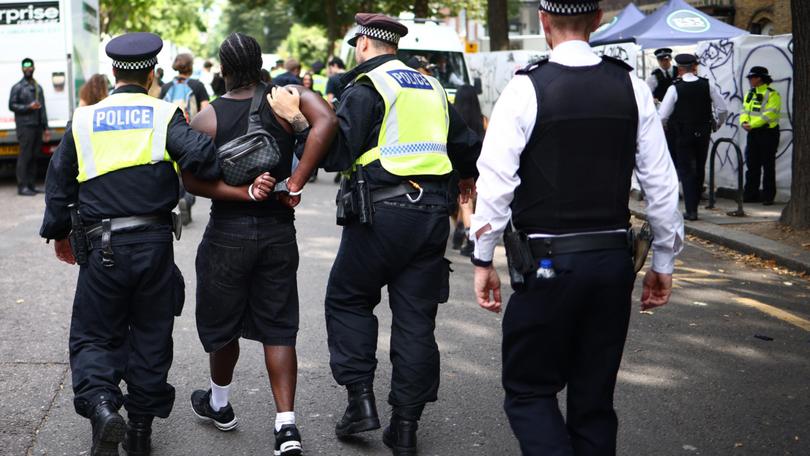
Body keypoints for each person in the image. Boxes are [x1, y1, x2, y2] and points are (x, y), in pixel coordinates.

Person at [39, 32, 268, 456]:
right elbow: (203, 157)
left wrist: (57, 232)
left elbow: (59, 181)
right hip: (153, 245)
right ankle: (140, 431)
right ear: (150, 73)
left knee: (94, 336)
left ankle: (105, 407)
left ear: (113, 73)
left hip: (101, 243)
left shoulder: (85, 118)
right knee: (150, 334)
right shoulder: (165, 114)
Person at [471, 1, 684, 454]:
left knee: (529, 391)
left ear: (544, 21)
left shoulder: (526, 87)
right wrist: (663, 260)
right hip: (611, 263)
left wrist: (483, 256)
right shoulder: (630, 85)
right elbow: (662, 183)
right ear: (599, 21)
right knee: (594, 400)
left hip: (547, 263)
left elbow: (495, 181)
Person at [271, 13, 480, 456]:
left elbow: (336, 154)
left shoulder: (368, 88)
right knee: (416, 319)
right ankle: (405, 426)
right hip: (431, 218)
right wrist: (466, 177)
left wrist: (299, 122)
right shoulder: (431, 86)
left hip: (382, 214)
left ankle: (360, 402)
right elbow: (465, 145)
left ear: (363, 44)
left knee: (347, 298)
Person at [183, 33, 335, 456]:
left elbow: (191, 179)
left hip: (226, 236)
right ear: (260, 64)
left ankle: (219, 403)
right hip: (277, 232)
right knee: (279, 326)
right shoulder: (288, 98)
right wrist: (296, 180)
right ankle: (286, 427)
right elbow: (328, 122)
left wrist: (242, 193)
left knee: (222, 324)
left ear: (224, 70)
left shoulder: (208, 118)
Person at [659, 54, 728, 221]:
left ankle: (691, 210)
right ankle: (694, 205)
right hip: (703, 133)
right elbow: (722, 109)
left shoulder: (675, 88)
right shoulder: (707, 84)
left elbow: (662, 116)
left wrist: (667, 128)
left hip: (682, 134)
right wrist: (717, 125)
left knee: (687, 170)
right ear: (694, 67)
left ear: (680, 68)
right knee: (699, 168)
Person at [451, 84, 487, 257]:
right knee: (466, 202)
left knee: (466, 204)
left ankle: (471, 240)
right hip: (479, 166)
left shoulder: (454, 119)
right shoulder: (483, 120)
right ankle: (459, 234)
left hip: (459, 166)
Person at [9, 57, 49, 196]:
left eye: (30, 66)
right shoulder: (18, 87)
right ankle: (22, 186)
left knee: (34, 156)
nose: (28, 69)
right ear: (22, 69)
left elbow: (43, 109)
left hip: (37, 126)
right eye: (25, 66)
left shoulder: (38, 87)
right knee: (25, 156)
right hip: (25, 127)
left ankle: (31, 185)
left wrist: (45, 128)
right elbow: (12, 105)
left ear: (33, 68)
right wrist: (28, 106)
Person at [741, 66, 781, 205]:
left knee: (768, 165)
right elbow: (744, 110)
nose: (750, 80)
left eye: (752, 77)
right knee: (752, 164)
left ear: (760, 78)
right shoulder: (750, 93)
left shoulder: (772, 94)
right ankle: (750, 194)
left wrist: (753, 125)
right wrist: (744, 122)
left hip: (768, 133)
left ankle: (768, 196)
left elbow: (770, 114)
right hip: (753, 133)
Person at [159, 53, 210, 119]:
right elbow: (205, 112)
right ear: (190, 66)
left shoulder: (165, 87)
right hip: (190, 128)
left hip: (170, 128)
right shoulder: (198, 85)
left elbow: (161, 111)